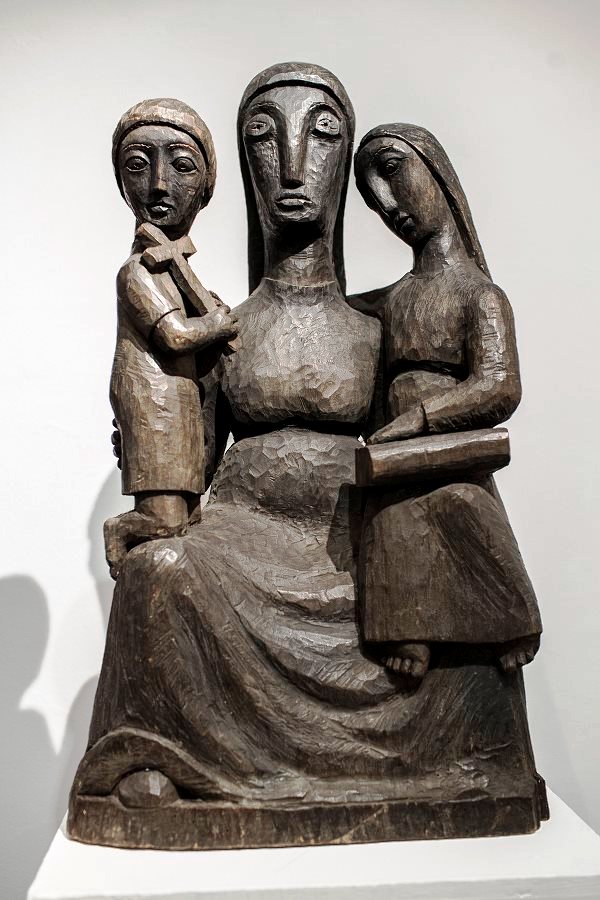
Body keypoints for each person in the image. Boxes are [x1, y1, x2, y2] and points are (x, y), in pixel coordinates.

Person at [68, 69, 545, 848]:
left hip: (357, 544)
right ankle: (167, 756)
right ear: (244, 169)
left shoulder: (384, 318)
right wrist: (151, 473)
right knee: (160, 573)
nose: (293, 163)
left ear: (345, 162)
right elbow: (191, 453)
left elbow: (445, 418)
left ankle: (461, 763)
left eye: (321, 137)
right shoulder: (220, 322)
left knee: (437, 605)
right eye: (265, 138)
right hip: (240, 543)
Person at [352, 124, 542, 680]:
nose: (387, 205)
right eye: (372, 199)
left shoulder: (479, 294)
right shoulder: (392, 298)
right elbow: (332, 308)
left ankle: (510, 620)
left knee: (462, 505)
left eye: (392, 172)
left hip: (450, 449)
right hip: (397, 459)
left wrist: (419, 419)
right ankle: (409, 630)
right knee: (391, 519)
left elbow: (500, 385)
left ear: (438, 173)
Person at [105, 98, 238, 578]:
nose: (159, 184)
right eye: (138, 165)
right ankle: (121, 531)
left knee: (187, 521)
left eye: (181, 166)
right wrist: (218, 325)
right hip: (152, 403)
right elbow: (176, 336)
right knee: (165, 525)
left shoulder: (176, 272)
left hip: (180, 404)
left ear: (204, 188)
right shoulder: (137, 272)